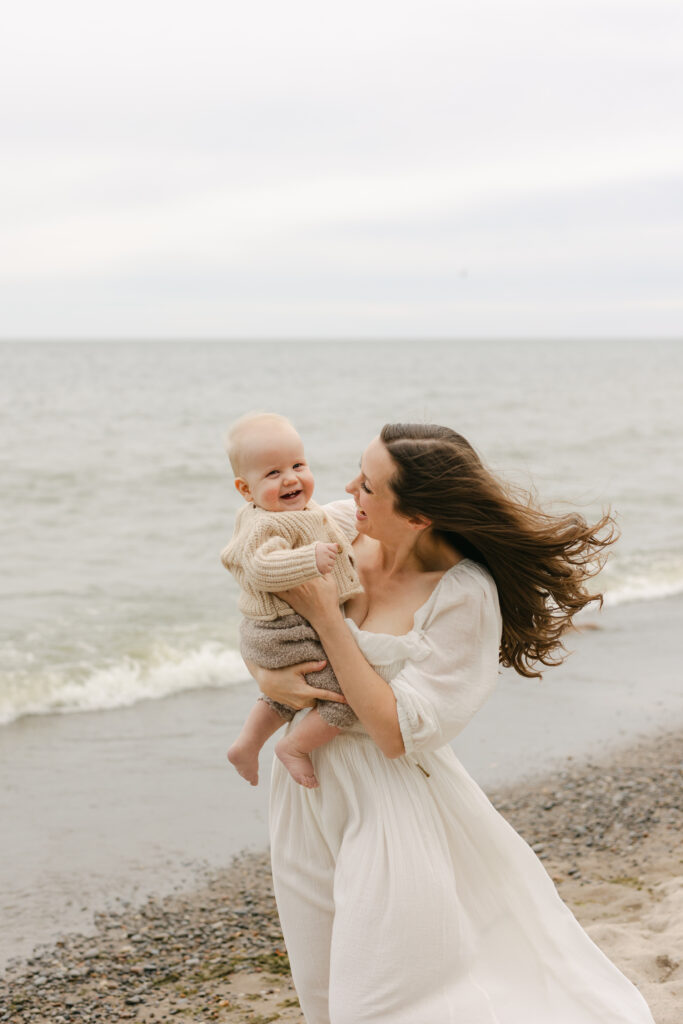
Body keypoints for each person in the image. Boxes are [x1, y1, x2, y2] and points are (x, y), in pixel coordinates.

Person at [245, 423, 656, 1024]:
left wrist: (327, 619)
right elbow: (261, 613)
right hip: (304, 790)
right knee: (323, 982)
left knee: (379, 997)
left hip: (391, 801)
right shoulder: (337, 531)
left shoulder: (464, 596)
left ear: (416, 517)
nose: (346, 488)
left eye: (367, 485)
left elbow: (393, 731)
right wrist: (267, 681)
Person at [222, 413, 362, 788]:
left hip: (284, 631)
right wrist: (308, 560)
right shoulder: (264, 524)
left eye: (298, 465)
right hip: (281, 632)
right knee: (342, 694)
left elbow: (337, 527)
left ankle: (247, 743)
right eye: (272, 473)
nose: (290, 478)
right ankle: (294, 748)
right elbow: (261, 568)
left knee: (288, 695)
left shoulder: (305, 511)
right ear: (246, 490)